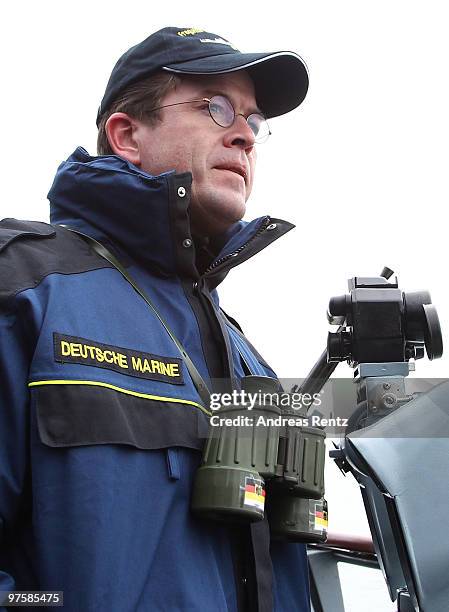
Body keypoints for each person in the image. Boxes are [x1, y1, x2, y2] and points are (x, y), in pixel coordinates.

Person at [0, 27, 310, 611]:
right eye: (216, 108)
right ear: (126, 135)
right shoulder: (23, 290)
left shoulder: (246, 355)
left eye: (254, 122)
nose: (245, 135)